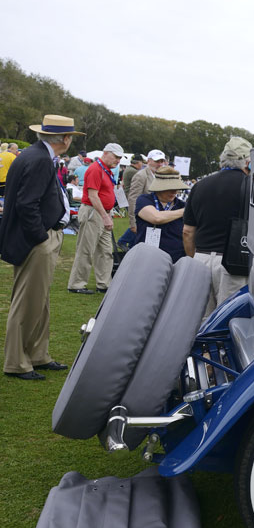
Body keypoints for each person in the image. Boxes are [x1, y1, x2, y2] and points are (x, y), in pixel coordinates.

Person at [0, 115, 81, 380]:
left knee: (39, 300)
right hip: (36, 239)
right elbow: (27, 204)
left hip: (40, 237)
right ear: (65, 139)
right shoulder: (38, 160)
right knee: (27, 302)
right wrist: (41, 237)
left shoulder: (37, 156)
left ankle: (37, 354)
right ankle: (17, 363)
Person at [183, 137, 254, 315]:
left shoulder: (199, 186)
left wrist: (194, 259)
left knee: (200, 318)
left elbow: (188, 231)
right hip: (234, 263)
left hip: (201, 258)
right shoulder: (253, 188)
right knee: (229, 319)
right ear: (247, 161)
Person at [67, 142, 124, 294]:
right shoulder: (95, 169)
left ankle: (104, 284)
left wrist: (107, 214)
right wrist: (105, 216)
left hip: (103, 212)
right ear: (105, 153)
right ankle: (76, 284)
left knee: (105, 250)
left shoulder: (105, 170)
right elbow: (93, 196)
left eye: (119, 158)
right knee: (86, 249)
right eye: (116, 157)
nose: (118, 161)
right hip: (94, 212)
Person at [135, 166, 190, 262]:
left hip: (176, 259)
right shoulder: (144, 200)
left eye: (177, 188)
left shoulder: (182, 205)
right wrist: (187, 210)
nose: (174, 192)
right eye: (170, 188)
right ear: (159, 188)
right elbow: (156, 218)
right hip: (147, 259)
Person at [127, 149, 167, 243]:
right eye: (157, 161)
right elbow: (133, 199)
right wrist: (133, 222)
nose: (160, 164)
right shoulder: (141, 176)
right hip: (144, 219)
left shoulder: (162, 176)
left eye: (162, 161)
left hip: (158, 218)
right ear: (149, 161)